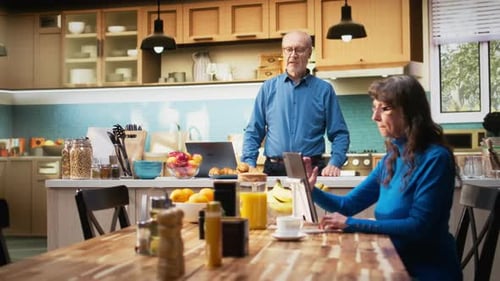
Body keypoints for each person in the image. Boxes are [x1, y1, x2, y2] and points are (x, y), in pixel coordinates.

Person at [306, 75, 462, 280]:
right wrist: (311, 190)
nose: (375, 117)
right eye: (374, 108)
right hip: (392, 264)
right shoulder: (392, 157)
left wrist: (351, 224)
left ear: (411, 113)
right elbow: (348, 205)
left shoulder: (436, 159)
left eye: (385, 109)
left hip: (425, 273)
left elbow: (419, 227)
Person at [241, 30, 349, 176]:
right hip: (274, 170)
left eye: (299, 50)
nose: (293, 55)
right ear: (283, 53)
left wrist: (335, 162)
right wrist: (249, 162)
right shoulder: (268, 88)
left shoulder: (324, 90)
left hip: (310, 168)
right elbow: (254, 130)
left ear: (309, 53)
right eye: (288, 49)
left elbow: (339, 133)